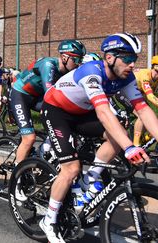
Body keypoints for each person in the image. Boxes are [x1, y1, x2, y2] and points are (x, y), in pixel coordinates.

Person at [38, 33, 156, 243]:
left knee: (117, 136)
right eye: (127, 59)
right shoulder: (91, 73)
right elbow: (103, 112)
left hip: (81, 112)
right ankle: (49, 220)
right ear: (110, 57)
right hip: (56, 110)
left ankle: (89, 180)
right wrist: (130, 148)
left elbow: (143, 109)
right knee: (71, 168)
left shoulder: (125, 78)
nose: (132, 65)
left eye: (134, 60)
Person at [10, 39, 86, 167]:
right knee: (29, 139)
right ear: (64, 57)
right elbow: (49, 95)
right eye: (76, 60)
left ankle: (43, 151)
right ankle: (16, 176)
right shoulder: (48, 65)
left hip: (36, 97)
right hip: (21, 95)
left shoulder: (68, 71)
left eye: (81, 61)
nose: (79, 64)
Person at [131, 55, 158, 147]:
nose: (157, 75)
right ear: (152, 68)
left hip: (137, 95)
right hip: (125, 93)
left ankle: (144, 139)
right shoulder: (145, 74)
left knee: (151, 117)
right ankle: (136, 145)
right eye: (156, 71)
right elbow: (150, 96)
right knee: (143, 116)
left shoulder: (156, 80)